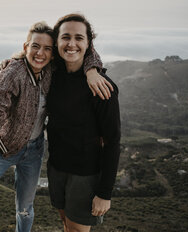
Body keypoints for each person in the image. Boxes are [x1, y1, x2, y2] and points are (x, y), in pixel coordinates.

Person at [0, 21, 111, 232]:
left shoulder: (52, 70)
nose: (41, 53)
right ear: (25, 47)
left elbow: (85, 51)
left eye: (48, 48)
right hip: (3, 148)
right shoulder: (13, 74)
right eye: (35, 46)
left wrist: (93, 70)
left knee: (25, 207)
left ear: (53, 53)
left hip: (34, 151)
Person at [46, 13, 121, 232]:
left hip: (85, 175)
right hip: (56, 168)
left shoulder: (101, 87)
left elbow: (113, 142)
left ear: (89, 44)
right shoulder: (53, 74)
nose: (71, 43)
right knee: (66, 225)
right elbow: (33, 55)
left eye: (79, 38)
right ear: (57, 41)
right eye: (65, 37)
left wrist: (104, 193)